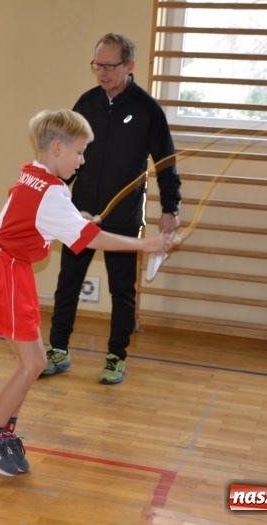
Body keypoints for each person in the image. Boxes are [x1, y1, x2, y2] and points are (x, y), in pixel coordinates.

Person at [0, 109, 176, 476]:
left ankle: (1, 433)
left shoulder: (35, 174)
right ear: (58, 148)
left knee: (32, 363)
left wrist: (74, 216)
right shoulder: (51, 192)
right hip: (5, 273)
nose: (82, 160)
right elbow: (90, 238)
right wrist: (147, 245)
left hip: (8, 269)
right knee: (33, 363)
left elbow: (34, 211)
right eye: (79, 152)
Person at [44, 33, 182, 385]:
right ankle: (58, 349)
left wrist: (171, 206)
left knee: (122, 290)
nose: (102, 73)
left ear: (129, 66)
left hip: (122, 218)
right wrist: (54, 196)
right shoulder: (86, 103)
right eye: (98, 65)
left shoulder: (147, 109)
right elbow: (64, 157)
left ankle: (116, 356)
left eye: (110, 66)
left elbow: (165, 161)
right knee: (68, 283)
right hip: (80, 214)